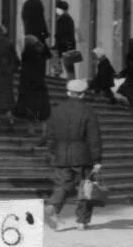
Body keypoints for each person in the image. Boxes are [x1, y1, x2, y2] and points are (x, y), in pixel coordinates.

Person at [44, 79, 102, 231]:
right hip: (83, 156)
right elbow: (94, 137)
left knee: (62, 186)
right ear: (82, 95)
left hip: (61, 155)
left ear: (68, 92)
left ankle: (52, 207)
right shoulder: (88, 111)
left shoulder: (56, 110)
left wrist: (51, 152)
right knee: (85, 188)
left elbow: (49, 135)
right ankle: (82, 222)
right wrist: (97, 160)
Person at [14, 35, 51, 136]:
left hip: (29, 85)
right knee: (43, 108)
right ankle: (44, 131)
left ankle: (31, 130)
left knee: (30, 108)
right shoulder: (41, 51)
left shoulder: (27, 53)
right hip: (40, 83)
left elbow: (25, 70)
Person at [53, 1, 77, 79]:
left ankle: (59, 74)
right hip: (68, 45)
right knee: (69, 66)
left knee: (67, 65)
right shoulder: (68, 18)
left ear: (60, 9)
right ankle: (70, 80)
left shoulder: (63, 18)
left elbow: (61, 33)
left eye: (57, 8)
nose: (56, 10)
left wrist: (58, 42)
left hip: (64, 45)